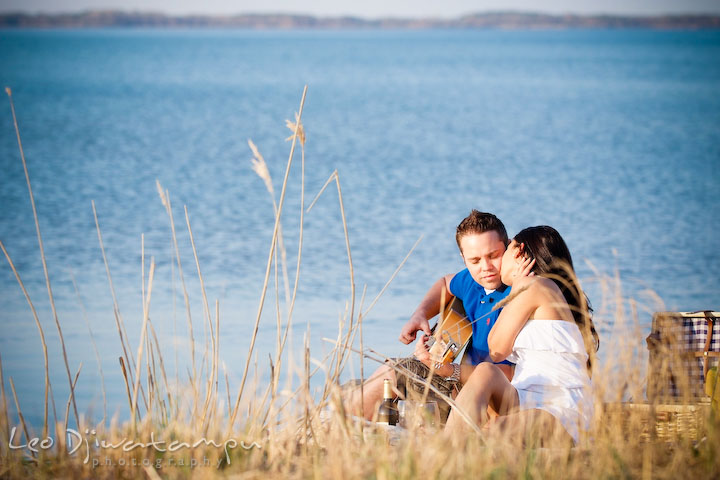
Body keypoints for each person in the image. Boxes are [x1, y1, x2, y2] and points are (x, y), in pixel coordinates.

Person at [343, 210, 533, 421]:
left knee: (393, 373)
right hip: (457, 383)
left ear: (508, 247)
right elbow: (445, 283)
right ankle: (345, 427)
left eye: (493, 256)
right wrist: (420, 314)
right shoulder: (472, 282)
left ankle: (341, 427)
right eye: (475, 260)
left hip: (492, 401)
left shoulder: (522, 293)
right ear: (463, 258)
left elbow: (514, 373)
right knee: (384, 377)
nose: (485, 267)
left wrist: (448, 370)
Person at [444, 225, 600, 446]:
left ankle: (447, 450)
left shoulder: (533, 285)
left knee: (494, 431)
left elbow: (496, 349)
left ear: (518, 252)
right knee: (485, 372)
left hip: (558, 411)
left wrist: (517, 284)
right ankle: (446, 446)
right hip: (525, 398)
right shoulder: (544, 289)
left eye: (507, 248)